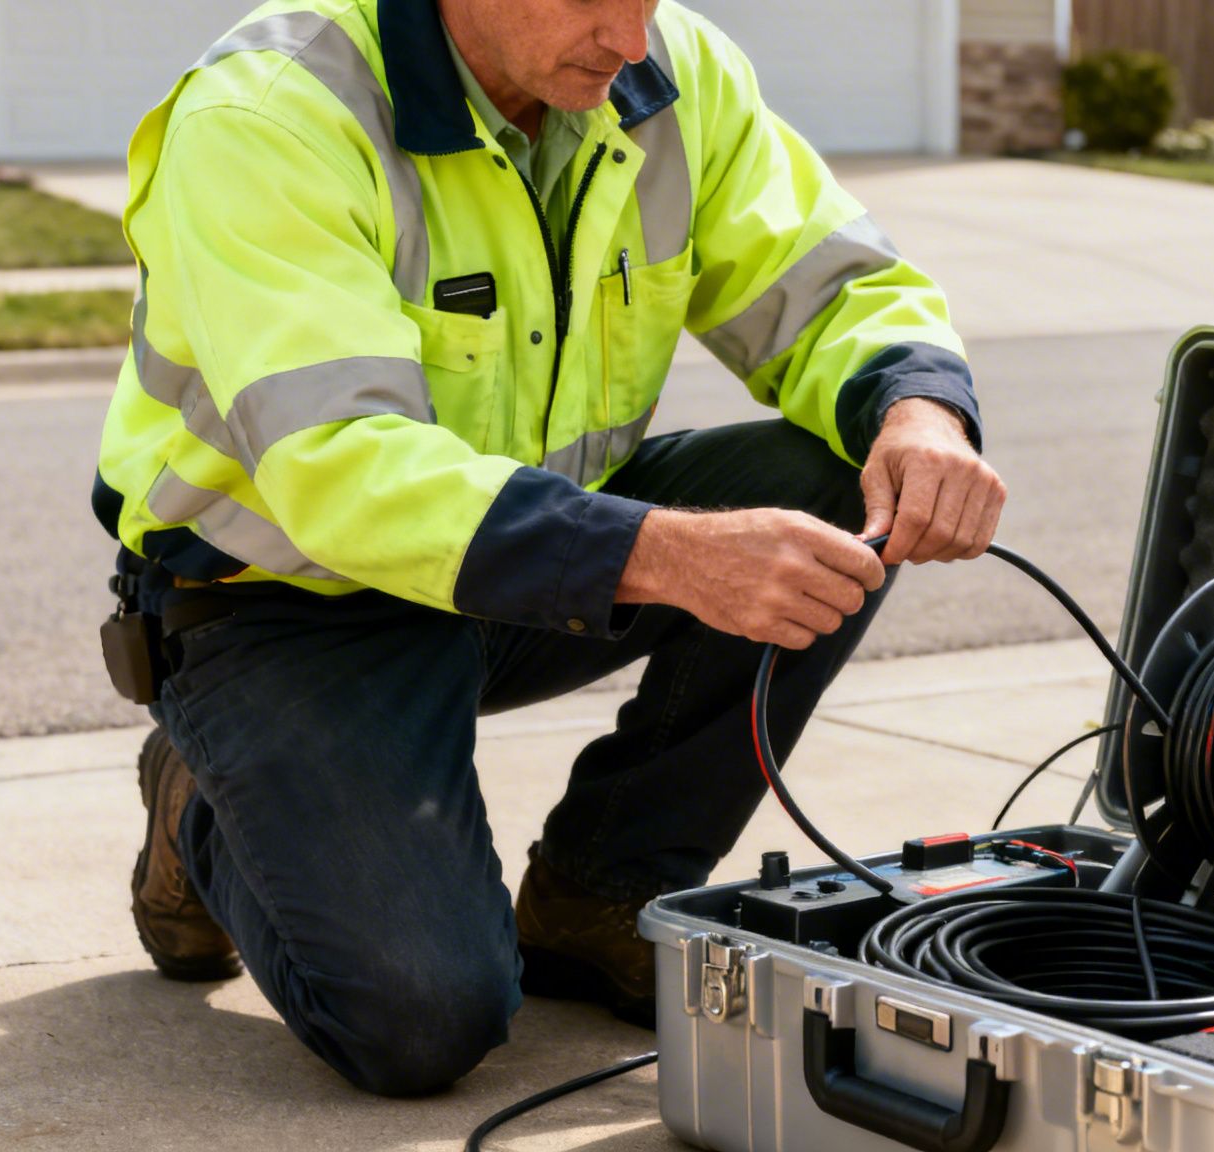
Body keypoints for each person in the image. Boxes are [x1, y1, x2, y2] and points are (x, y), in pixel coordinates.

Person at [94, 0, 1005, 1097]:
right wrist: (670, 555)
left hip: (529, 560)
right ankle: (205, 792)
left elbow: (832, 287)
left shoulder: (668, 72)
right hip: (288, 599)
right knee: (421, 1024)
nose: (629, 40)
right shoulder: (272, 112)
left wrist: (915, 410)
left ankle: (599, 891)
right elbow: (336, 465)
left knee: (829, 482)